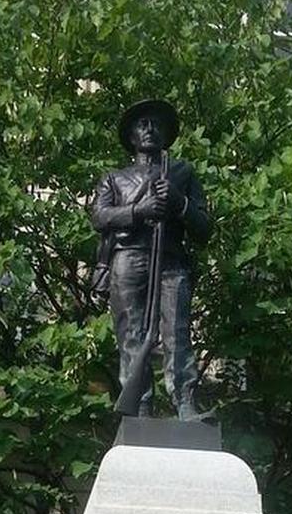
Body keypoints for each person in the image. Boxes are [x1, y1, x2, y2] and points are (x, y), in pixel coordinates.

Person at [90, 99, 211, 418]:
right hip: (128, 259)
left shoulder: (182, 173)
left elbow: (204, 227)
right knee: (131, 334)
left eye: (156, 123)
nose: (149, 129)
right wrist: (137, 211)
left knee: (177, 333)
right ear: (130, 135)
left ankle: (184, 401)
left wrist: (179, 204)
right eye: (142, 124)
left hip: (171, 261)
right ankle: (139, 404)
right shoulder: (114, 178)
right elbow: (100, 217)